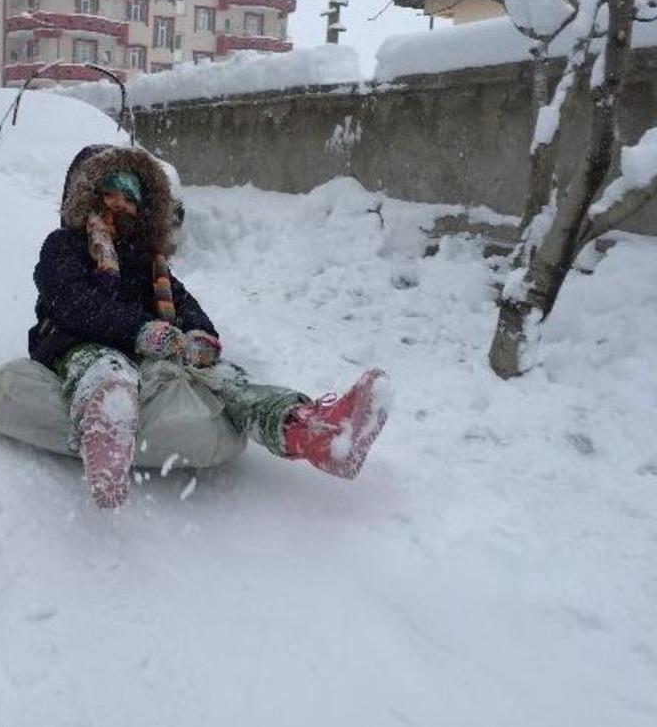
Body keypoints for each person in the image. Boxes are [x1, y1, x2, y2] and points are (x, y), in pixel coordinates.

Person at [29, 145, 391, 509]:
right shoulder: (64, 246)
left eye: (130, 197)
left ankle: (313, 431)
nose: (120, 204)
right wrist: (141, 329)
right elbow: (73, 301)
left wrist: (200, 336)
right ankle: (107, 436)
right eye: (109, 192)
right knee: (106, 371)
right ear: (85, 195)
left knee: (227, 379)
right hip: (74, 342)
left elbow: (183, 304)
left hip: (145, 351)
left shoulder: (147, 262)